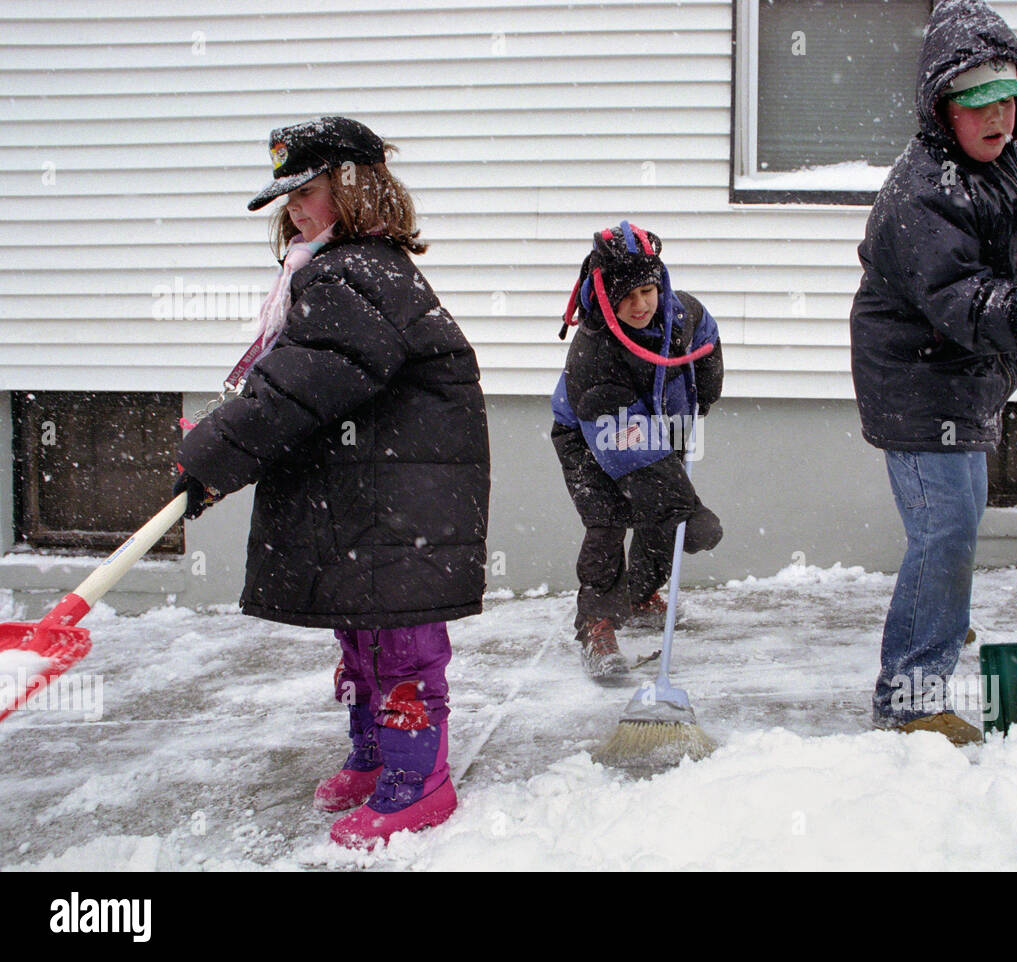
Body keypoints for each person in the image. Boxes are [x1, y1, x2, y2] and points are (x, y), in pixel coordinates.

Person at [174, 116, 490, 847]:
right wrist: (221, 452)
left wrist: (216, 450)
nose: (294, 210)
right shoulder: (330, 270)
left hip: (400, 500)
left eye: (307, 192)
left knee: (401, 645)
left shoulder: (361, 274)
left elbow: (294, 389)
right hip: (365, 494)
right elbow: (298, 390)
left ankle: (420, 781)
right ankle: (375, 756)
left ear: (355, 191)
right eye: (287, 198)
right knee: (361, 634)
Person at [849, 0, 1017, 745]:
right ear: (941, 108)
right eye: (978, 103)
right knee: (944, 536)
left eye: (1010, 100)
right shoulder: (921, 191)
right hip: (917, 379)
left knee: (953, 530)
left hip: (970, 379)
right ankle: (909, 699)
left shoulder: (1015, 164)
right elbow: (958, 299)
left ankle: (938, 616)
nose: (999, 116)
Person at [551, 222, 723, 679]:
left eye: (647, 290)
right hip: (591, 433)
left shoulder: (679, 313)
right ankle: (596, 624)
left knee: (659, 516)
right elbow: (629, 448)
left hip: (658, 420)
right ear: (604, 296)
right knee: (609, 520)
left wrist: (702, 395)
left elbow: (706, 334)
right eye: (626, 296)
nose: (641, 305)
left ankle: (640, 594)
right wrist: (687, 508)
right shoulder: (593, 354)